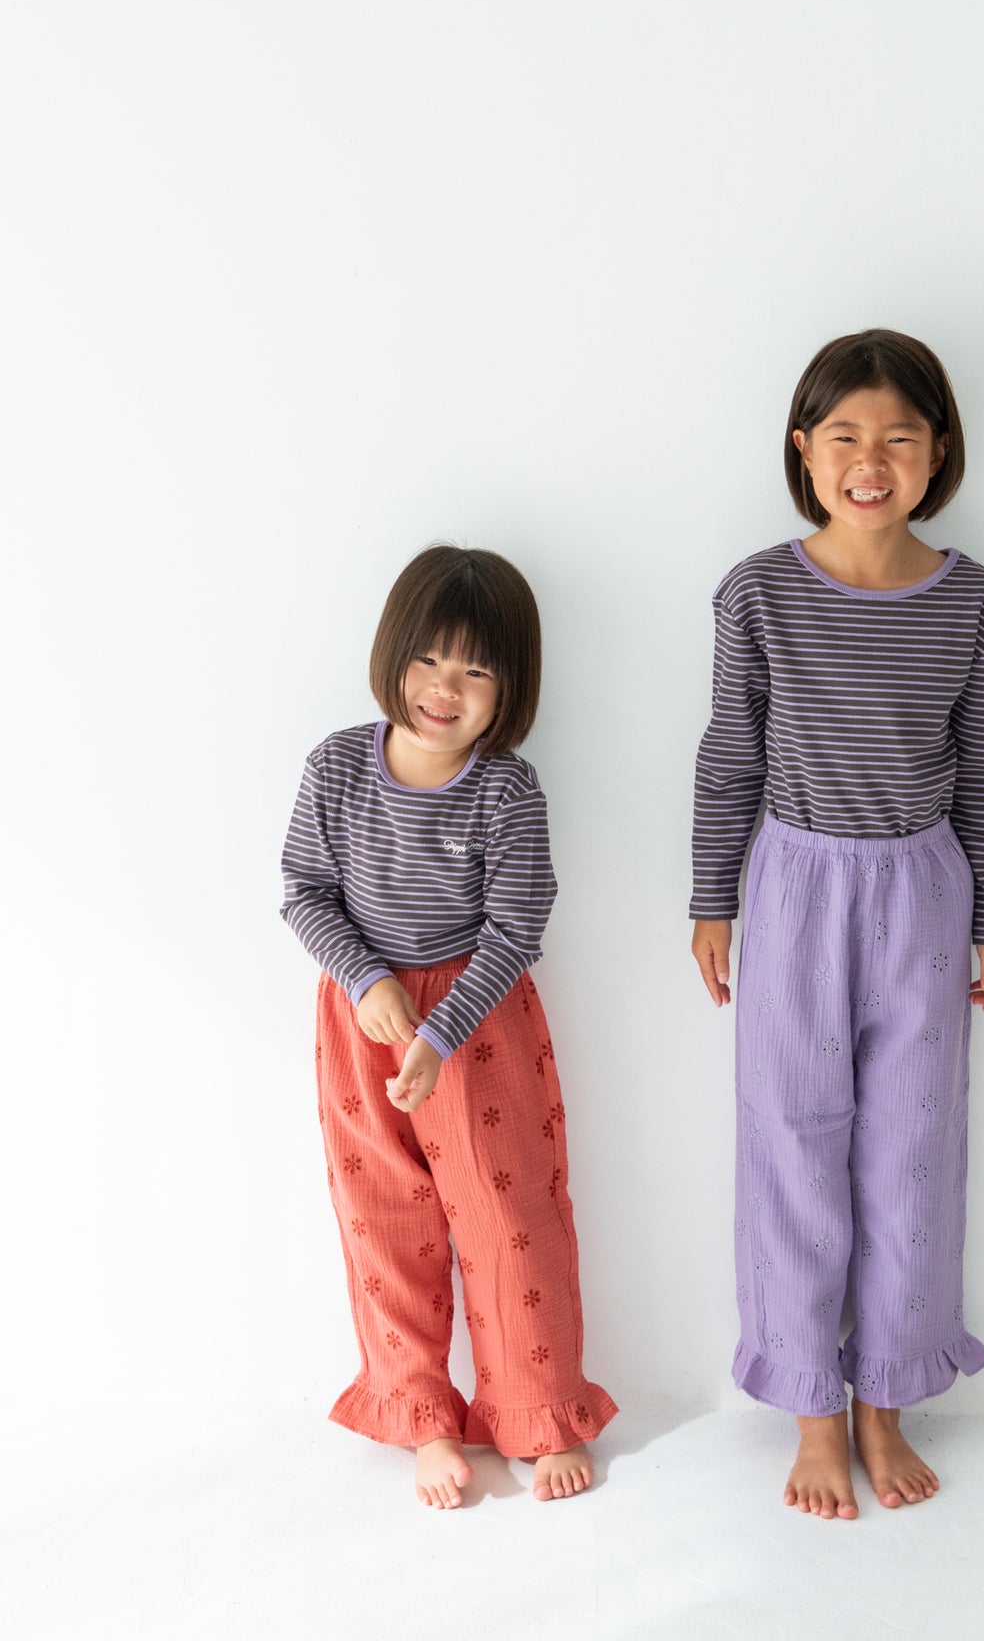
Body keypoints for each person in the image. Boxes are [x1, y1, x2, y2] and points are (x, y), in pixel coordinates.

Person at [690, 329, 984, 1520]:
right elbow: (729, 755)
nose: (869, 461)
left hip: (924, 893)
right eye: (844, 437)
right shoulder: (758, 593)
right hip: (792, 889)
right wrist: (712, 898)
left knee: (911, 1152)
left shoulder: (975, 602)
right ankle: (811, 1412)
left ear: (938, 452)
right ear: (805, 450)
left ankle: (887, 1400)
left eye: (897, 437)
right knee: (791, 1143)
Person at [282, 544, 617, 1509]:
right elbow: (304, 891)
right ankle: (421, 1417)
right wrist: (366, 981)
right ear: (394, 653)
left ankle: (537, 1410)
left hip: (480, 1028)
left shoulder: (507, 790)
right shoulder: (336, 767)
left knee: (512, 1222)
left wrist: (438, 1035)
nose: (445, 687)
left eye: (476, 670)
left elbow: (517, 929)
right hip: (361, 1024)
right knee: (385, 1220)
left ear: (510, 689)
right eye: (429, 658)